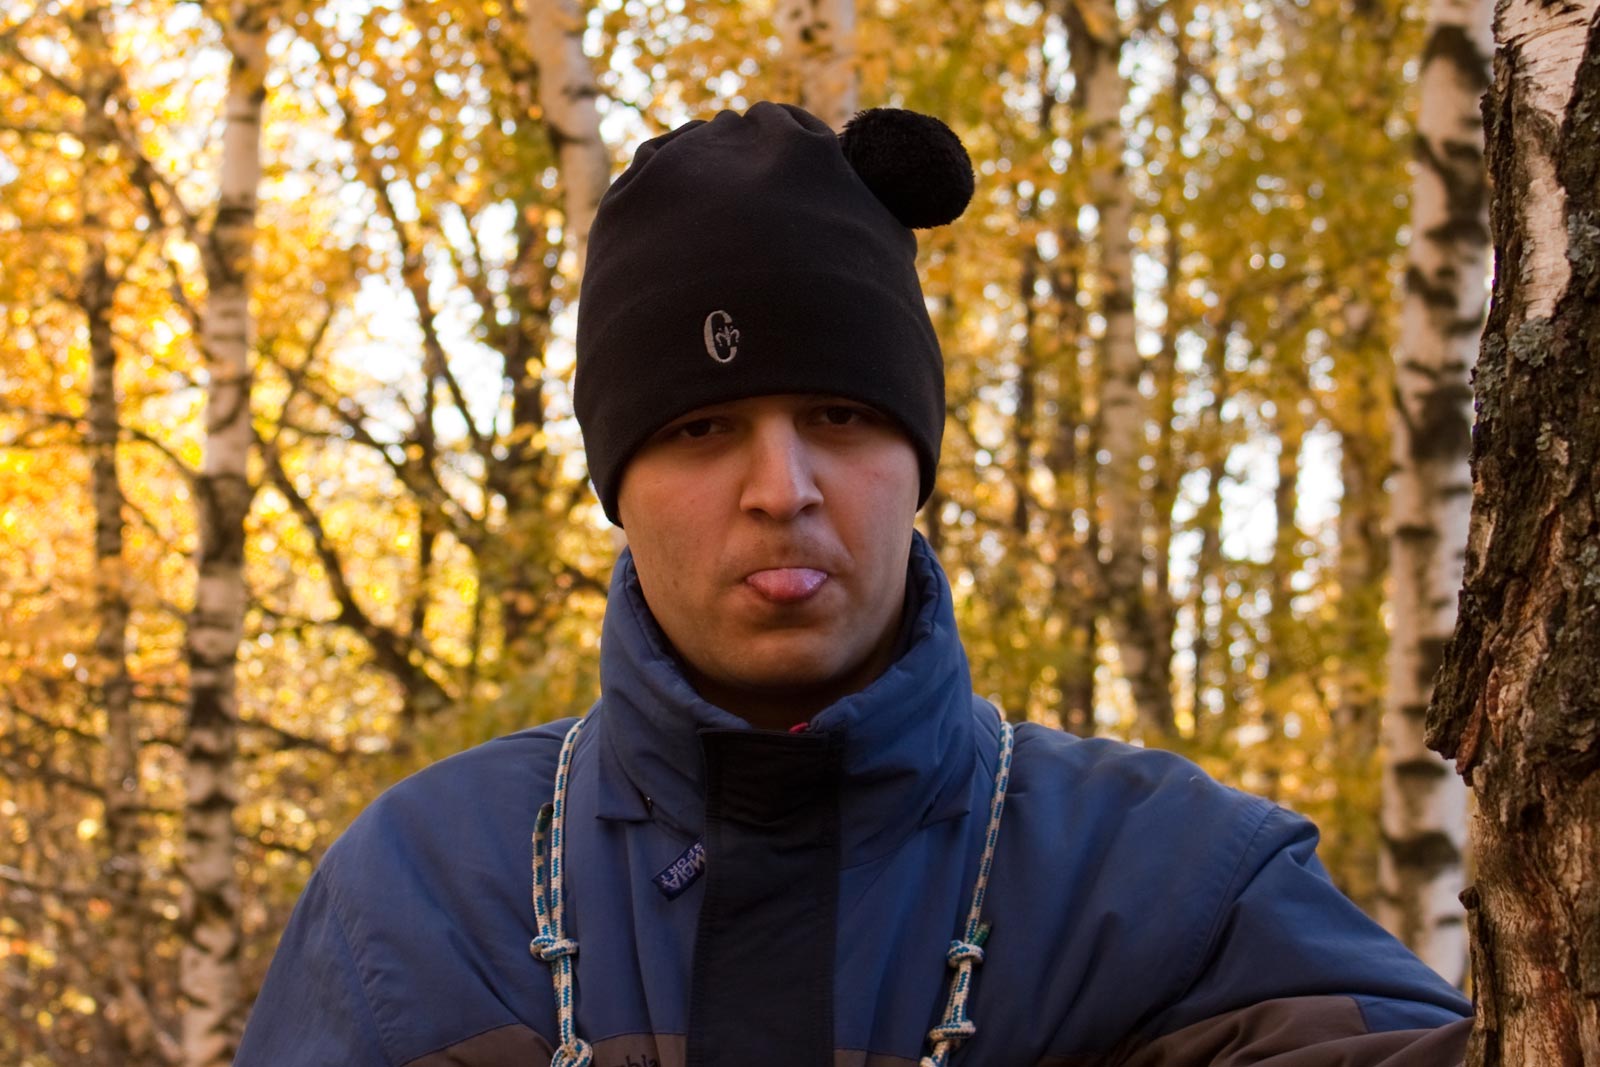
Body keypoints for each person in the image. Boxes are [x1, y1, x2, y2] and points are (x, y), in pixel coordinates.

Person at [235, 102, 1471, 1067]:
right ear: (619, 482)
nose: (781, 488)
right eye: (703, 428)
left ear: (914, 458)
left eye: (836, 415)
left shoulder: (1166, 883)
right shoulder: (422, 897)